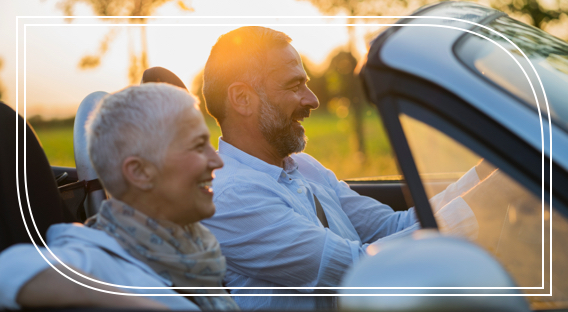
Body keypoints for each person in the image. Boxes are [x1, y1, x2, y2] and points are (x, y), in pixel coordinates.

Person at [199, 26, 490, 310]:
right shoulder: (231, 196)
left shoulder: (303, 166)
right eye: (294, 85)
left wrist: (486, 175)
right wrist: (487, 202)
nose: (312, 99)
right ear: (242, 99)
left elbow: (391, 228)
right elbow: (360, 270)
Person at [0, 84, 239, 311]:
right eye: (198, 146)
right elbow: (9, 269)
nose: (217, 161)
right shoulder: (100, 260)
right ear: (140, 172)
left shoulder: (195, 247)